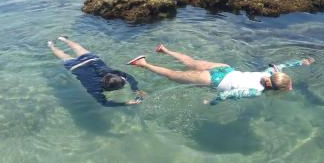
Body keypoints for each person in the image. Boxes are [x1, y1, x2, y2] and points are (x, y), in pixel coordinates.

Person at [127, 44, 314, 104]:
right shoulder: (255, 92)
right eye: (287, 87)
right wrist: (212, 102)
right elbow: (227, 94)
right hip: (211, 79)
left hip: (225, 68)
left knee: (191, 62)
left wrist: (301, 62)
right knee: (172, 74)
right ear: (273, 87)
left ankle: (164, 50)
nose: (290, 87)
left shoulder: (269, 73)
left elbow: (281, 65)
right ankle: (142, 63)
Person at [48, 36, 144, 107]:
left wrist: (136, 90)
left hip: (91, 60)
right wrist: (126, 102)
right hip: (76, 66)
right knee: (65, 54)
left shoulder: (113, 73)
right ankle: (52, 45)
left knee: (77, 47)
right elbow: (104, 103)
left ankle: (61, 40)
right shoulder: (94, 88)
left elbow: (129, 78)